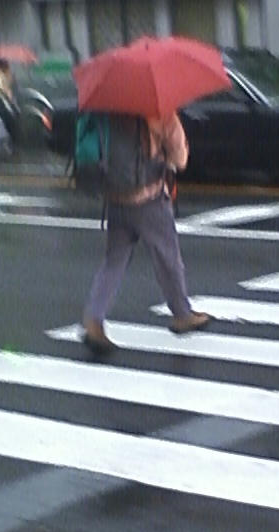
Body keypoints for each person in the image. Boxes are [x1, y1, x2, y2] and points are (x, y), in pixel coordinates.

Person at [83, 111, 211, 352]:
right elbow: (180, 159)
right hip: (149, 200)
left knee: (113, 263)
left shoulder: (106, 110)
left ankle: (93, 319)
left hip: (116, 199)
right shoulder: (159, 111)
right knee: (168, 259)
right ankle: (182, 314)